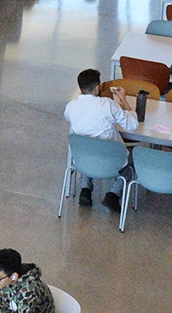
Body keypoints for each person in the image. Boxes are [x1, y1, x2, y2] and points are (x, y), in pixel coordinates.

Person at [63, 68, 139, 210]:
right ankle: (113, 194)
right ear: (98, 88)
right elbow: (132, 125)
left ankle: (85, 189)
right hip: (111, 163)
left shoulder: (71, 107)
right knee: (130, 165)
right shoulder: (108, 105)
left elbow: (71, 119)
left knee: (90, 149)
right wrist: (123, 99)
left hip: (83, 160)